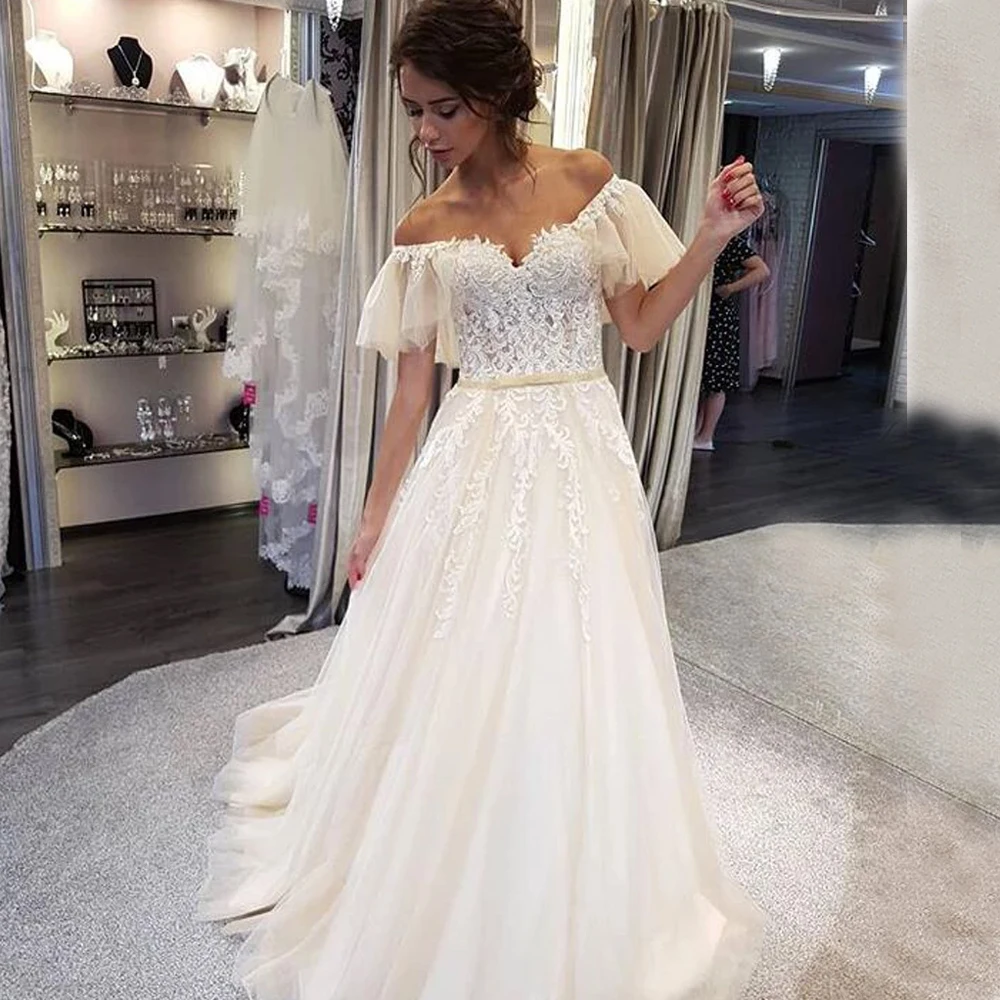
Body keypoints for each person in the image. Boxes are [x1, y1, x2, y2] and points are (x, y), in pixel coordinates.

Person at [196, 2, 767, 997]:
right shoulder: (424, 228)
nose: (424, 132)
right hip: (476, 453)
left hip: (579, 448)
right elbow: (410, 396)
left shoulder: (589, 182)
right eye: (414, 111)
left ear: (498, 93)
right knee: (466, 648)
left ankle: (568, 836)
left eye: (443, 109)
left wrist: (712, 236)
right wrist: (374, 517)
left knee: (577, 647)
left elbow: (638, 327)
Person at [693, 229, 771, 451]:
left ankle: (706, 435)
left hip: (718, 316)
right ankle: (698, 431)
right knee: (705, 379)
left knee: (716, 380)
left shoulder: (727, 242)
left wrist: (730, 288)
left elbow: (762, 270)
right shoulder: (708, 239)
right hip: (707, 314)